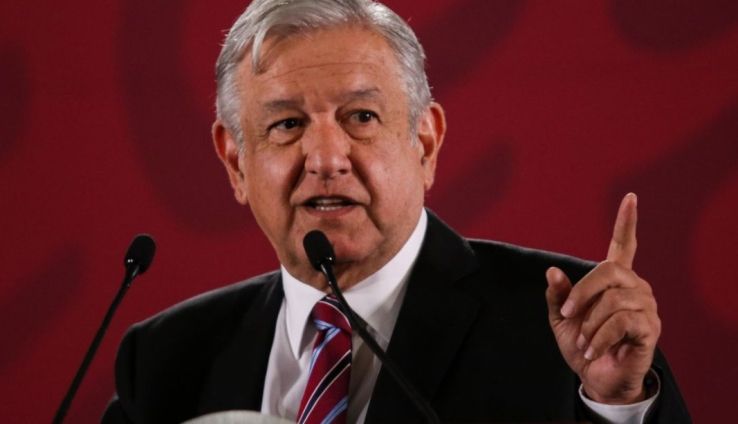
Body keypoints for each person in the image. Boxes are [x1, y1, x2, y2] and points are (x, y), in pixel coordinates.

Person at [102, 0, 690, 422]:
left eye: (361, 117)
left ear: (424, 143)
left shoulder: (568, 328)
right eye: (286, 124)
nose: (326, 159)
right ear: (236, 161)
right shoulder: (164, 360)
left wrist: (617, 406)